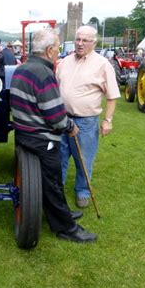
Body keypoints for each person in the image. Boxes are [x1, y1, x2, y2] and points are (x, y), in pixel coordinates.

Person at [10, 28, 97, 243]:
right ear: (49, 50)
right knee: (52, 183)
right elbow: (55, 116)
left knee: (47, 182)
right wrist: (70, 127)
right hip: (42, 139)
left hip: (24, 135)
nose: (58, 52)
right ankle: (66, 228)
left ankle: (61, 214)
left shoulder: (22, 69)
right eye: (57, 48)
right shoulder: (44, 74)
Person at [56, 25, 120, 209]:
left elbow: (112, 96)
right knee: (59, 157)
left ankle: (82, 191)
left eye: (85, 40)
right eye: (77, 39)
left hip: (85, 122)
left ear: (94, 43)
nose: (80, 43)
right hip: (62, 120)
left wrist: (108, 121)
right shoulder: (65, 61)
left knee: (83, 159)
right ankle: (56, 190)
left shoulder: (103, 65)